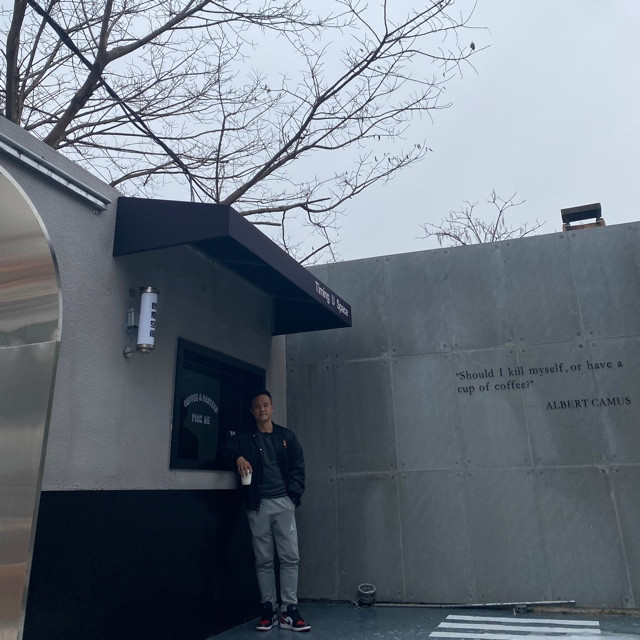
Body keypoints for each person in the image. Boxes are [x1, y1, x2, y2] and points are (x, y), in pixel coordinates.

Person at [220, 389, 310, 632]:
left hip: (284, 504)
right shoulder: (244, 439)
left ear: (272, 408)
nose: (262, 409)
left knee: (290, 557)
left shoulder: (286, 437)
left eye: (266, 405)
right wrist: (238, 458)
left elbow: (298, 467)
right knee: (264, 560)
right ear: (252, 411)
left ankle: (289, 610)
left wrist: (292, 498)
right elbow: (224, 451)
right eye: (258, 406)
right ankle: (268, 609)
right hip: (257, 506)